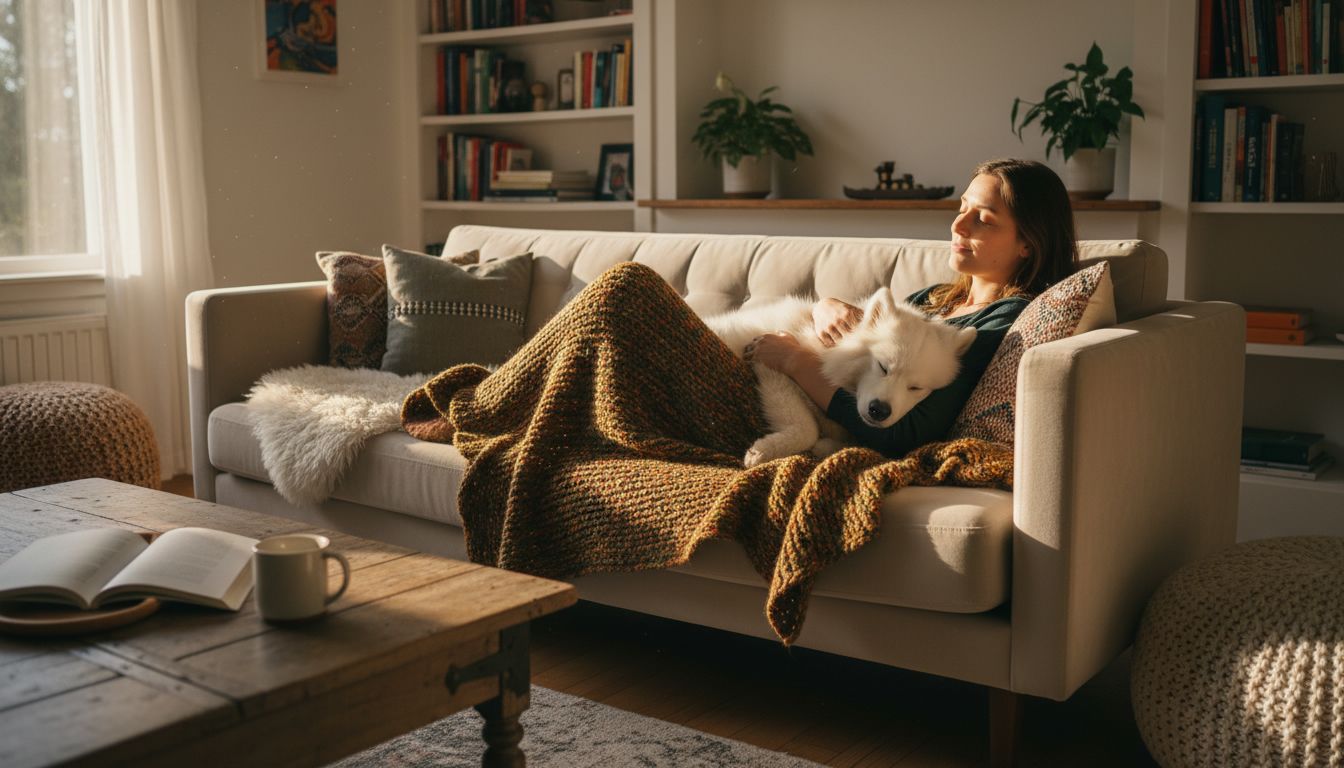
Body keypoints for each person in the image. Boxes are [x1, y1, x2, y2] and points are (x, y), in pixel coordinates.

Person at [743, 158, 1079, 457]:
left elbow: (906, 434)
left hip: (774, 404)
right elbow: (862, 356)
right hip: (772, 398)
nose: (958, 226)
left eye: (984, 219)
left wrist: (795, 361)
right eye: (962, 208)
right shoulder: (932, 299)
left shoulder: (1004, 318)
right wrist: (824, 308)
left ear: (1028, 244)